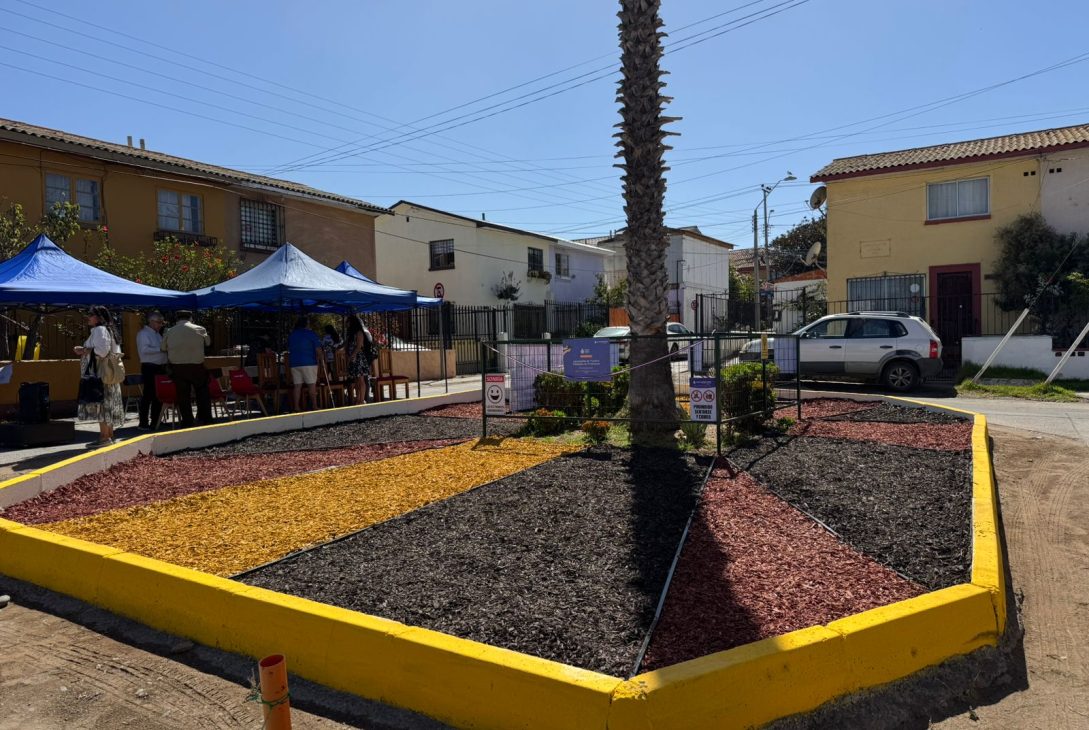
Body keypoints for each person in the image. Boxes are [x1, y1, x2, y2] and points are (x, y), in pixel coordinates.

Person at [73, 306, 124, 446]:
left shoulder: (100, 330)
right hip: (108, 374)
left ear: (99, 317)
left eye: (91, 314)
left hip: (101, 374)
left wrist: (83, 350)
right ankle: (109, 436)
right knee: (108, 404)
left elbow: (101, 352)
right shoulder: (108, 330)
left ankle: (104, 437)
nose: (88, 317)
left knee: (102, 405)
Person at [161, 309, 212, 428]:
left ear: (177, 319)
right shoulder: (200, 329)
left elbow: (163, 348)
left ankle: (188, 421)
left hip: (178, 368)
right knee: (202, 393)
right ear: (191, 318)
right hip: (196, 367)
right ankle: (206, 419)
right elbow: (208, 343)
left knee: (183, 395)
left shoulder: (169, 331)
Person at [136, 311, 167, 430]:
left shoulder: (157, 334)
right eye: (158, 322)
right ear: (151, 321)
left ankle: (156, 420)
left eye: (161, 322)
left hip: (159, 367)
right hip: (150, 367)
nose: (160, 325)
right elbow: (144, 350)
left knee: (158, 396)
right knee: (148, 395)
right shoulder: (144, 334)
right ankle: (143, 423)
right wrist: (161, 349)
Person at [288, 316, 323, 411]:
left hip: (295, 363)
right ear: (306, 324)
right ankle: (314, 406)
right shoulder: (310, 333)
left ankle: (296, 407)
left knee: (297, 386)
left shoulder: (292, 335)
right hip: (309, 362)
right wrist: (321, 358)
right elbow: (318, 349)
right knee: (312, 384)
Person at [345, 314, 376, 404]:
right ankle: (358, 398)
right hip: (353, 358)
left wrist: (352, 356)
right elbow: (347, 345)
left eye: (348, 322)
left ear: (352, 322)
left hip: (358, 358)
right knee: (357, 380)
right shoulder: (350, 334)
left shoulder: (359, 332)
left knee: (361, 380)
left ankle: (361, 399)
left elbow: (359, 346)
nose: (346, 324)